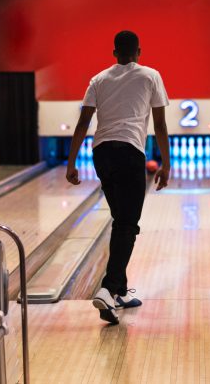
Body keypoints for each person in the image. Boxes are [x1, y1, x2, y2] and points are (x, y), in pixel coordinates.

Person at [66, 30, 171, 325]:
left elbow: (83, 122)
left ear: (114, 53)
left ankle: (121, 291)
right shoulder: (151, 75)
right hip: (129, 152)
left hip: (101, 154)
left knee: (121, 221)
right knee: (127, 223)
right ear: (139, 51)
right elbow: (160, 124)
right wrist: (166, 164)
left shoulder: (98, 79)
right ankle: (109, 289)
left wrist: (71, 162)